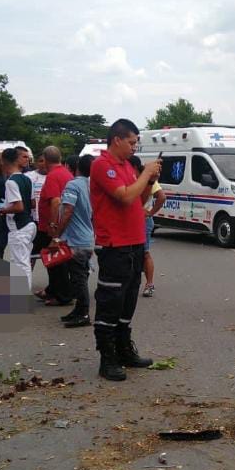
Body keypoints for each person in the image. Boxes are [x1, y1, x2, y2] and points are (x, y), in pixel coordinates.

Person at [89, 118, 159, 380]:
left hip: (134, 242)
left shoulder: (128, 167)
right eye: (131, 142)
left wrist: (150, 181)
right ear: (117, 139)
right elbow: (124, 196)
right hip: (114, 245)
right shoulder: (102, 165)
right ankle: (107, 358)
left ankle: (123, 349)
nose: (134, 148)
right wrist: (144, 174)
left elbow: (138, 200)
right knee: (110, 302)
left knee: (128, 300)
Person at [57, 154, 95, 328]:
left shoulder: (73, 185)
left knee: (78, 278)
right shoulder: (90, 185)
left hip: (76, 239)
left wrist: (57, 233)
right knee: (80, 276)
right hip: (87, 236)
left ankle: (83, 313)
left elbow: (68, 211)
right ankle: (79, 311)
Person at [33, 147, 73, 305]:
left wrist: (52, 225)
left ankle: (62, 295)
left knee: (54, 261)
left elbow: (55, 202)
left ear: (46, 159)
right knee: (55, 260)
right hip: (60, 225)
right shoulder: (66, 173)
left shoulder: (53, 176)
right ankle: (53, 290)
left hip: (51, 227)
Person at [0, 151, 37, 290]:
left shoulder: (11, 182)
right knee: (20, 260)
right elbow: (32, 203)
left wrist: (2, 210)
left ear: (4, 161)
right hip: (29, 224)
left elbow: (18, 206)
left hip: (19, 226)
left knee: (21, 263)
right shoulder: (27, 179)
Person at [128, 155, 166, 298]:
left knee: (144, 252)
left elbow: (161, 197)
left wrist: (149, 213)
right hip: (135, 219)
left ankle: (149, 284)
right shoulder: (137, 178)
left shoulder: (145, 179)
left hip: (143, 220)